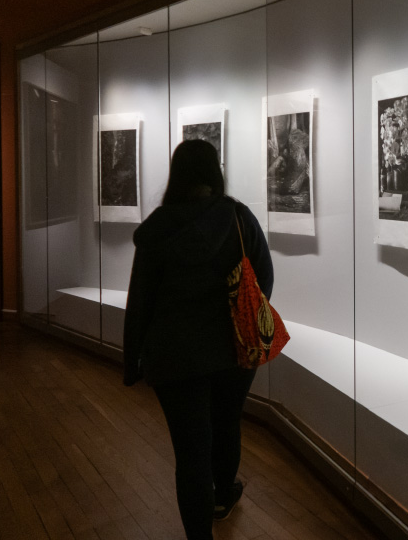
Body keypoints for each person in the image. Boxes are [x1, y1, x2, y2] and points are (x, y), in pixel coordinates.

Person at [123, 139, 273, 539]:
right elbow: (264, 278)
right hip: (232, 348)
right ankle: (224, 494)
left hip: (174, 356)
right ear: (214, 172)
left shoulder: (158, 229)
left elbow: (140, 301)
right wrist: (242, 319)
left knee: (190, 453)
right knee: (226, 425)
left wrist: (130, 362)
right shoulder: (238, 218)